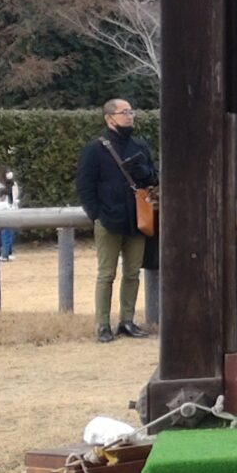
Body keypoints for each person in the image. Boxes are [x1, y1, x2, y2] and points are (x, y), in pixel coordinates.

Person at [76, 100, 156, 344]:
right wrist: (96, 214)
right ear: (109, 118)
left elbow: (153, 177)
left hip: (137, 219)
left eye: (131, 112)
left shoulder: (139, 145)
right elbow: (85, 185)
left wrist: (142, 172)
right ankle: (102, 325)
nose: (130, 116)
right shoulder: (95, 149)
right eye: (124, 113)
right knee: (106, 273)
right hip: (109, 219)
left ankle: (127, 321)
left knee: (132, 272)